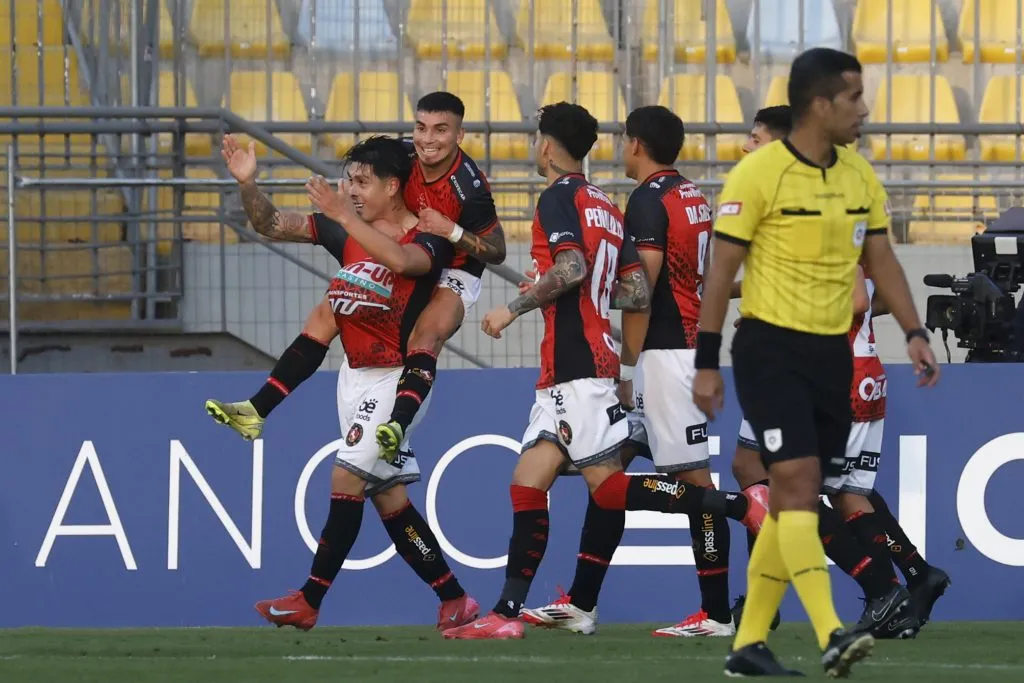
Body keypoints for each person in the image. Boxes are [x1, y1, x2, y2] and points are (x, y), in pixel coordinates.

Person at [440, 102, 767, 641]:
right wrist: (580, 292)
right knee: (528, 481)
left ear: (547, 146)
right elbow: (635, 290)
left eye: (537, 139)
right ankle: (510, 612)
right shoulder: (608, 207)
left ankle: (738, 509)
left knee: (612, 488)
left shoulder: (560, 198)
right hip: (578, 364)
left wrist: (515, 307)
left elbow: (572, 268)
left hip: (583, 361)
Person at [693, 48, 940, 677]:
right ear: (820, 104)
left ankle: (748, 645)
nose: (865, 109)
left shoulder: (859, 177)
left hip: (833, 358)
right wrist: (707, 361)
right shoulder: (758, 174)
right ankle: (832, 631)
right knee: (801, 487)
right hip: (770, 351)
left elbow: (881, 259)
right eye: (854, 97)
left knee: (788, 501)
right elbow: (720, 272)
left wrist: (913, 329)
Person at [221, 134, 480, 631]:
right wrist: (248, 184)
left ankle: (309, 600)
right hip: (354, 378)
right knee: (389, 499)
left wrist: (343, 215)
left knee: (345, 478)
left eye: (362, 181)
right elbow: (270, 224)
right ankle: (454, 599)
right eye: (349, 182)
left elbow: (404, 263)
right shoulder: (345, 230)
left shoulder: (426, 235)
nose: (352, 190)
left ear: (393, 185)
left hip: (398, 379)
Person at [731, 106, 948, 638]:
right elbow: (871, 293)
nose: (745, 148)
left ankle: (878, 589)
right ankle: (911, 577)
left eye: (755, 139)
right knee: (840, 491)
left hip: (822, 371)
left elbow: (853, 297)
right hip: (855, 368)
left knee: (782, 484)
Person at [204, 92, 504, 458]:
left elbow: (497, 251)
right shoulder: (401, 155)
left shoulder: (469, 187)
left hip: (454, 261)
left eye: (441, 130)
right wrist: (247, 184)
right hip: (399, 243)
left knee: (429, 331)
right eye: (421, 127)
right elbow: (273, 224)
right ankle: (258, 408)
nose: (428, 139)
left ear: (459, 135)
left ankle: (398, 422)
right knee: (336, 303)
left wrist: (452, 231)